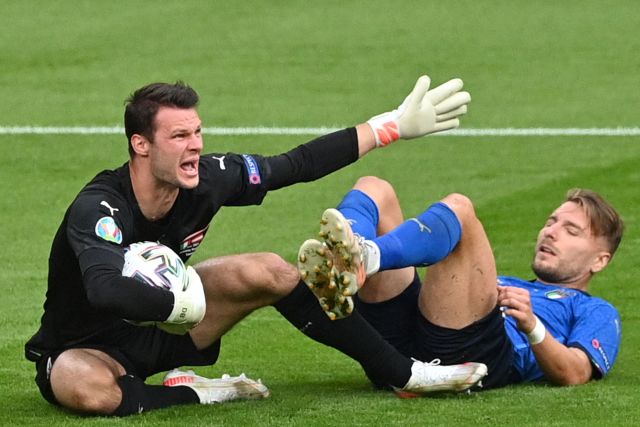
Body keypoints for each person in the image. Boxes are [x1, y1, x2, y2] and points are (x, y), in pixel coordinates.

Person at [25, 76, 489, 417]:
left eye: (197, 132)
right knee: (86, 389)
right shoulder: (100, 208)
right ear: (141, 145)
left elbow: (294, 165)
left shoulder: (207, 178)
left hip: (166, 334)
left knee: (269, 269)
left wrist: (388, 127)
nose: (195, 146)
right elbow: (104, 289)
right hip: (87, 348)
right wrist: (175, 305)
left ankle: (403, 372)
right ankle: (198, 392)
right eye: (180, 136)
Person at [298, 176, 623, 389]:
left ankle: (363, 259)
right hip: (399, 352)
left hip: (472, 356)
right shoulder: (507, 282)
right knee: (374, 187)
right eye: (551, 222)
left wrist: (533, 326)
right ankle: (353, 257)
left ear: (600, 260)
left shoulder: (596, 310)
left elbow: (576, 372)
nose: (551, 232)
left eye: (571, 231)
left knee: (461, 211)